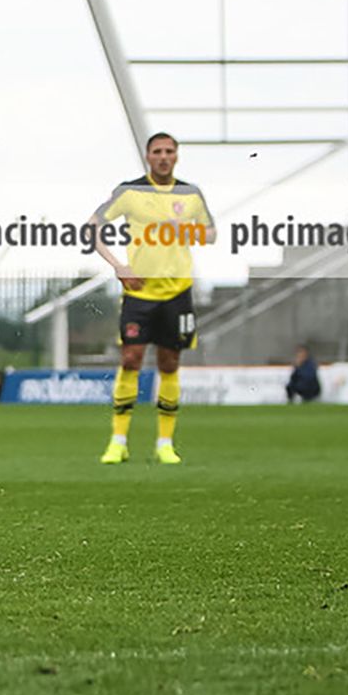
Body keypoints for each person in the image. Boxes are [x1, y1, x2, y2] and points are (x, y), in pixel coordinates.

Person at [87, 133, 214, 466]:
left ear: (177, 156)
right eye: (157, 151)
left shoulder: (190, 194)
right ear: (148, 156)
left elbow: (210, 232)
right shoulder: (130, 192)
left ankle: (165, 444)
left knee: (169, 364)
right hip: (138, 293)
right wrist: (118, 266)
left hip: (177, 293)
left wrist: (187, 229)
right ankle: (118, 442)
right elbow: (92, 226)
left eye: (169, 151)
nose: (163, 156)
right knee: (131, 359)